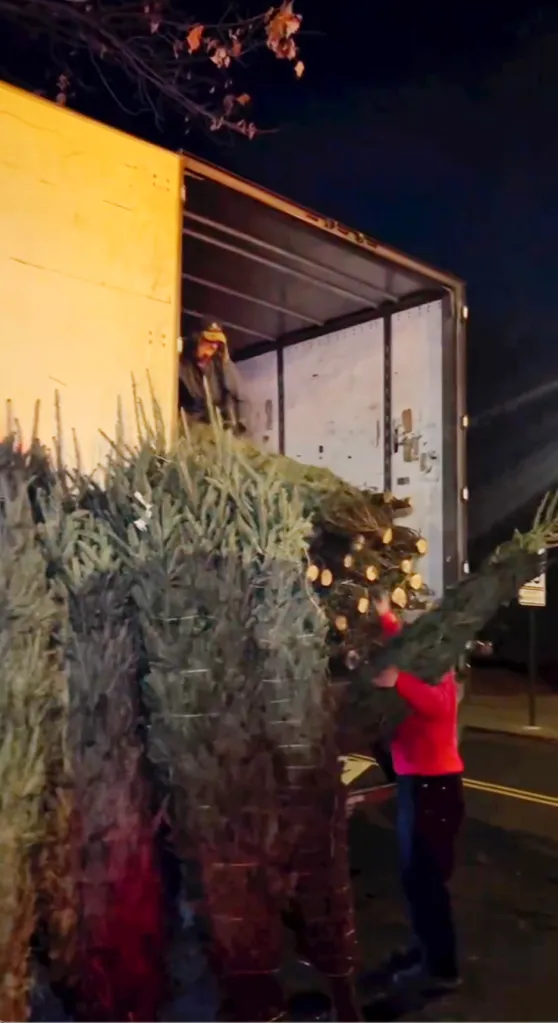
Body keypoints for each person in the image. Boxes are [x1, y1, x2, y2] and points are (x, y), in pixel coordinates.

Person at [371, 594, 465, 995]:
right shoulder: (419, 656)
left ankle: (441, 969)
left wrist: (399, 682)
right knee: (414, 878)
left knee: (427, 880)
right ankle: (425, 948)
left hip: (435, 787)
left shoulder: (437, 666)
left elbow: (441, 706)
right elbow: (403, 643)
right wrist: (385, 616)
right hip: (416, 783)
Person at [179, 320, 245, 432]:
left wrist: (226, 362)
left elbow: (237, 396)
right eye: (209, 341)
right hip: (189, 432)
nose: (214, 346)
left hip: (216, 433)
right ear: (196, 339)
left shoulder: (220, 367)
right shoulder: (181, 366)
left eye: (218, 343)